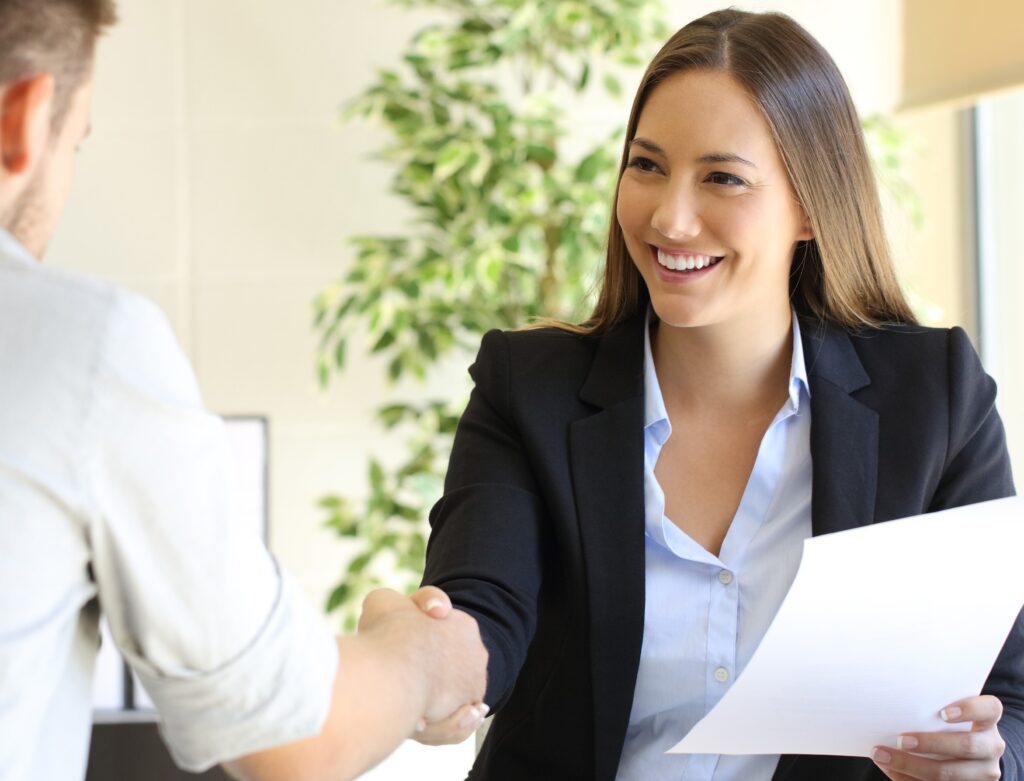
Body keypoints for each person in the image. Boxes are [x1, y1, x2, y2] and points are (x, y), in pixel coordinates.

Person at [420, 8, 1021, 781]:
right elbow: (482, 607)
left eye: (722, 177)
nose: (669, 216)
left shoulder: (935, 398)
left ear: (810, 205)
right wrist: (428, 667)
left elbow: (1011, 692)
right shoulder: (528, 387)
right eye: (647, 165)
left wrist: (986, 764)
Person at [0, 1, 487, 779]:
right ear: (22, 121)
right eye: (76, 139)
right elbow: (296, 733)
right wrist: (429, 652)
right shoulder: (76, 346)